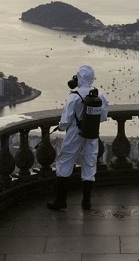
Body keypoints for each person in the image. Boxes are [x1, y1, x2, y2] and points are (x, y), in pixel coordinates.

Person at [47, 64, 109, 211]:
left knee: (65, 163)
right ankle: (86, 202)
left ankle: (60, 201)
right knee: (89, 165)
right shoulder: (100, 95)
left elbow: (65, 121)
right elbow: (103, 117)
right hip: (92, 134)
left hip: (74, 134)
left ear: (79, 78)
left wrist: (61, 127)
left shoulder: (74, 97)